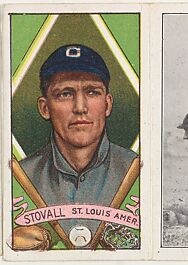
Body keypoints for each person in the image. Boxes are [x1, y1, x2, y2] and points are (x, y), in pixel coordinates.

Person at [19, 44, 138, 246]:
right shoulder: (21, 176)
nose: (80, 108)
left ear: (107, 104)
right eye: (65, 93)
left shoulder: (136, 169)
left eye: (92, 92)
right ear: (45, 108)